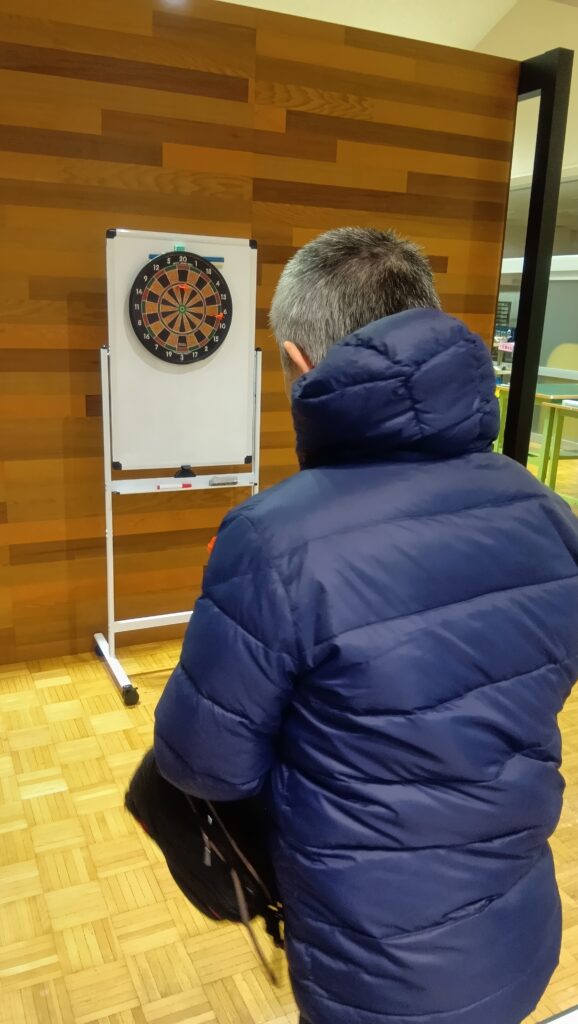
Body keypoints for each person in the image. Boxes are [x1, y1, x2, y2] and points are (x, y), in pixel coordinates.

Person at [154, 227, 578, 1024]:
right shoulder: (546, 511)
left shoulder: (274, 539)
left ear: (298, 363)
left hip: (373, 968)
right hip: (517, 936)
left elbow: (204, 763)